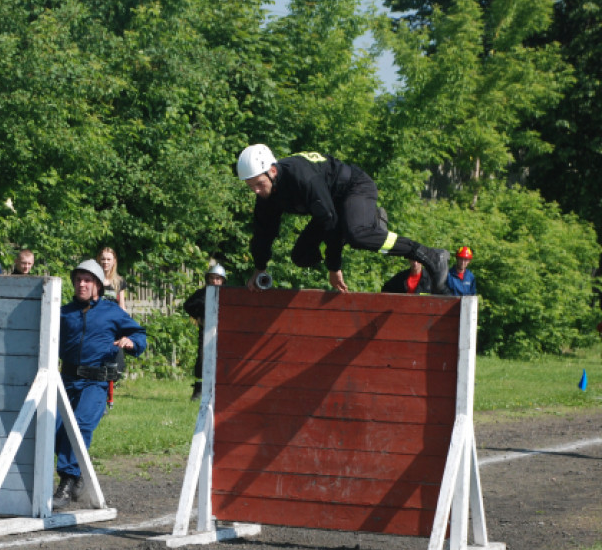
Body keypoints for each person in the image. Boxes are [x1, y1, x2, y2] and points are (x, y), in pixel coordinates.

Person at [237, 144, 451, 295]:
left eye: (258, 184)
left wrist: (334, 266)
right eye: (251, 187)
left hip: (354, 188)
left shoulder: (302, 178)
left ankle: (429, 254)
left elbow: (329, 220)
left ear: (272, 171)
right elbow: (263, 234)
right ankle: (365, 223)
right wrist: (259, 268)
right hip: (331, 207)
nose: (256, 191)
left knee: (358, 235)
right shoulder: (267, 195)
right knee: (301, 256)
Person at [54, 259, 147, 508]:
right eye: (78, 280)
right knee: (53, 430)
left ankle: (67, 481)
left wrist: (131, 342)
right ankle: (77, 472)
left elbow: (140, 334)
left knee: (81, 426)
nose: (81, 284)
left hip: (95, 383)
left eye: (87, 280)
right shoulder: (62, 312)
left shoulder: (111, 311)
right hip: (65, 380)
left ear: (97, 285)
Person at [183, 263, 226, 400]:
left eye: (218, 278)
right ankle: (198, 389)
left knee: (222, 358)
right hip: (206, 330)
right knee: (202, 358)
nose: (215, 281)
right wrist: (198, 317)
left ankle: (220, 389)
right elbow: (188, 305)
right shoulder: (202, 293)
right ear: (208, 279)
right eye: (212, 278)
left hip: (223, 332)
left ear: (223, 280)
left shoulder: (228, 295)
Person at [96, 247, 128, 409]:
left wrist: (124, 327)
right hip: (98, 326)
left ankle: (110, 394)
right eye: (103, 259)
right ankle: (101, 397)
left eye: (108, 259)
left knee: (116, 363)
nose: (105, 262)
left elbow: (122, 307)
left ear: (114, 261)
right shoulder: (94, 279)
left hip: (114, 327)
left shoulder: (119, 282)